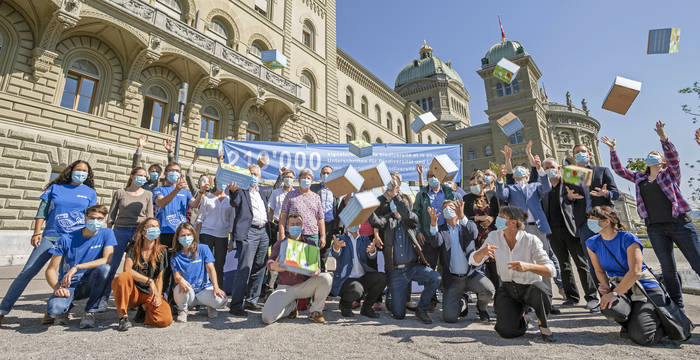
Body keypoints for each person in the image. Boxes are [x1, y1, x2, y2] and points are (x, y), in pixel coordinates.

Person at [602, 121, 700, 309]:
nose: (651, 157)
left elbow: (674, 158)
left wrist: (663, 137)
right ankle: (677, 308)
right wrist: (613, 150)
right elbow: (619, 170)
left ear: (662, 161)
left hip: (680, 224)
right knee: (668, 269)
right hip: (655, 228)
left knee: (697, 263)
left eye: (655, 155)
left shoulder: (670, 175)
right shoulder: (640, 178)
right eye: (650, 155)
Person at [0, 160, 97, 324]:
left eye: (85, 171)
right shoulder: (55, 188)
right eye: (78, 169)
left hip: (74, 240)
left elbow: (92, 216)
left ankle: (52, 311)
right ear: (71, 170)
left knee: (64, 277)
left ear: (88, 175)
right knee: (27, 272)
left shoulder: (90, 192)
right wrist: (37, 232)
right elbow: (42, 211)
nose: (81, 173)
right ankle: (3, 309)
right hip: (51, 236)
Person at [470, 206, 557, 342]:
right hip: (508, 289)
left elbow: (552, 270)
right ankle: (525, 318)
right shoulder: (494, 236)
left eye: (501, 217)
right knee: (506, 332)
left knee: (540, 291)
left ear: (513, 222)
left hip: (531, 288)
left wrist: (528, 267)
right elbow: (474, 261)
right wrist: (482, 252)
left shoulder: (531, 240)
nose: (497, 219)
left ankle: (543, 324)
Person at [585, 206, 666, 345]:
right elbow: (599, 271)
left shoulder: (628, 238)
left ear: (607, 221)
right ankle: (632, 321)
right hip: (621, 287)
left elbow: (635, 271)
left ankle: (661, 322)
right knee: (608, 307)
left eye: (594, 219)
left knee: (644, 338)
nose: (589, 222)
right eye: (589, 219)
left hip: (643, 287)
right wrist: (605, 286)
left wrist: (614, 294)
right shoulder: (592, 242)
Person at [496, 145, 562, 314]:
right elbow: (501, 195)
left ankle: (547, 300)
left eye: (521, 170)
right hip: (520, 230)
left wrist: (539, 167)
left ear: (527, 174)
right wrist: (500, 179)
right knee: (524, 263)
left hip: (538, 228)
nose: (518, 172)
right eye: (515, 171)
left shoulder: (535, 186)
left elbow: (547, 188)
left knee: (543, 262)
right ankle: (526, 302)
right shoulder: (510, 189)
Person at [370, 192, 441, 324]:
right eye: (395, 203)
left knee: (435, 277)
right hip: (396, 272)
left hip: (413, 267)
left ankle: (422, 309)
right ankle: (393, 300)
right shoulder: (388, 220)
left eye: (402, 204)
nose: (397, 206)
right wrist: (367, 206)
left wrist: (396, 197)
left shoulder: (412, 219)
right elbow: (376, 221)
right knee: (398, 314)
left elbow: (407, 214)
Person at [541, 157, 600, 311]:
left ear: (559, 167)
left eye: (551, 167)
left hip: (571, 229)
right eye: (545, 168)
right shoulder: (545, 187)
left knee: (582, 264)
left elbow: (589, 177)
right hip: (553, 232)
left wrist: (570, 172)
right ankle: (572, 297)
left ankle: (592, 297)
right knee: (564, 265)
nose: (549, 170)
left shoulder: (568, 180)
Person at [44, 205, 116, 328]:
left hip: (90, 283)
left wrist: (77, 267)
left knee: (105, 269)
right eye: (92, 218)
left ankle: (90, 311)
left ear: (104, 220)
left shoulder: (107, 233)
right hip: (69, 285)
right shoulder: (67, 238)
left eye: (99, 219)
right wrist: (57, 288)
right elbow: (50, 270)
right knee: (54, 310)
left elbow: (107, 259)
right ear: (84, 218)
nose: (95, 221)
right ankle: (64, 309)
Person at [429, 200, 495, 323]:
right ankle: (461, 301)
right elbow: (435, 242)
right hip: (453, 279)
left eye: (451, 207)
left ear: (458, 209)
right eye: (445, 208)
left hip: (471, 275)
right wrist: (433, 224)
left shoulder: (467, 225)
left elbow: (473, 234)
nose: (448, 210)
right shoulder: (441, 230)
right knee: (449, 318)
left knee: (488, 290)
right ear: (443, 214)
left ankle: (481, 309)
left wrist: (462, 216)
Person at [262, 214, 332, 324]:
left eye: (298, 224)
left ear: (303, 226)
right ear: (287, 227)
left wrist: (316, 271)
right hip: (284, 287)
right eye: (292, 224)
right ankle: (290, 308)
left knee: (326, 277)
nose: (295, 227)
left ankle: (315, 312)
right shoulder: (280, 244)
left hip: (303, 286)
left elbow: (316, 267)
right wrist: (273, 266)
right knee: (267, 318)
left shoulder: (310, 243)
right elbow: (270, 261)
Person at [101, 167, 154, 312]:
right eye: (139, 175)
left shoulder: (148, 194)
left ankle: (136, 298)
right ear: (132, 176)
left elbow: (150, 217)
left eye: (144, 176)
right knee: (111, 265)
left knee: (138, 267)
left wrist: (146, 234)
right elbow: (111, 215)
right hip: (120, 231)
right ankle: (103, 298)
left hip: (138, 233)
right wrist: (109, 233)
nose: (142, 178)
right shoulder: (120, 192)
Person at [111, 218, 172, 331]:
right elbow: (127, 270)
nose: (155, 229)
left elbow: (159, 278)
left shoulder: (162, 251)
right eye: (151, 226)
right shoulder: (133, 247)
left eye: (157, 227)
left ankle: (144, 309)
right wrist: (149, 281)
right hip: (133, 293)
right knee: (122, 278)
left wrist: (157, 296)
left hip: (149, 293)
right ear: (143, 231)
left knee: (165, 319)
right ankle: (123, 317)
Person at [228, 164, 270, 316]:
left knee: (260, 267)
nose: (254, 176)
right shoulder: (241, 191)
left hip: (263, 232)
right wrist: (232, 192)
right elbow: (234, 201)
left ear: (260, 177)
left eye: (256, 174)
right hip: (249, 232)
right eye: (251, 173)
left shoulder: (262, 193)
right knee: (244, 268)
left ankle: (252, 300)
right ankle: (236, 304)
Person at [170, 223, 227, 322]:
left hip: (203, 289)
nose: (186, 237)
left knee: (222, 300)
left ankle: (210, 305)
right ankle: (183, 310)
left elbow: (211, 269)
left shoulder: (203, 248)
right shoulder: (175, 256)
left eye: (189, 234)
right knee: (179, 288)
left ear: (193, 235)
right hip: (188, 291)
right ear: (178, 238)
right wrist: (181, 280)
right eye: (183, 235)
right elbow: (177, 275)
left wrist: (216, 287)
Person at [330, 225, 385, 318]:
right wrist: (336, 247)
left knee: (382, 278)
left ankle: (366, 308)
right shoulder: (341, 238)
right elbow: (336, 254)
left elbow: (371, 256)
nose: (354, 224)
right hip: (346, 279)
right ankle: (345, 305)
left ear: (360, 225)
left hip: (362, 277)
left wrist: (372, 251)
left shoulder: (365, 239)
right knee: (356, 289)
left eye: (357, 221)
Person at [462, 173, 500, 288]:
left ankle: (499, 296)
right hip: (475, 237)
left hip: (491, 235)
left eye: (475, 184)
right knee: (477, 267)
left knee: (494, 269)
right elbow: (463, 217)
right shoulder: (467, 198)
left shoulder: (492, 195)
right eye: (470, 185)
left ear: (483, 184)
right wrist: (478, 218)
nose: (472, 187)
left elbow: (499, 213)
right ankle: (481, 296)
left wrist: (491, 218)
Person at [195, 178, 233, 289]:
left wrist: (232, 241)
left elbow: (232, 221)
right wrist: (197, 237)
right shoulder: (207, 198)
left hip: (222, 235)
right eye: (220, 182)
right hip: (206, 233)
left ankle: (217, 291)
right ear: (215, 183)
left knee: (219, 265)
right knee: (204, 263)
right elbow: (200, 218)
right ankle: (201, 290)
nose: (222, 184)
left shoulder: (230, 200)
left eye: (224, 182)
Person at [278, 168, 325, 247]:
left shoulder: (316, 197)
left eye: (308, 178)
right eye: (303, 178)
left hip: (311, 236)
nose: (306, 180)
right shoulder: (290, 195)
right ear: (299, 180)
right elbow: (283, 216)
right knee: (292, 259)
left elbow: (320, 218)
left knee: (311, 259)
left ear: (311, 181)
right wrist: (282, 235)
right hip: (293, 235)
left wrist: (323, 236)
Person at [311, 165, 340, 272]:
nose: (326, 175)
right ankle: (313, 270)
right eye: (324, 173)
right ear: (320, 175)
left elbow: (337, 208)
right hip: (315, 224)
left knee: (326, 249)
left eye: (328, 173)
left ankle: (322, 270)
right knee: (314, 248)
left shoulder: (336, 190)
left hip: (330, 224)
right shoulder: (313, 188)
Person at [268, 169, 296, 245]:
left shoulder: (296, 194)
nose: (289, 179)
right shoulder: (276, 192)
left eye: (291, 177)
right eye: (287, 177)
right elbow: (271, 211)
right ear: (283, 179)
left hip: (292, 226)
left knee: (290, 250)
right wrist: (269, 226)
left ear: (294, 180)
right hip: (277, 225)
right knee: (277, 249)